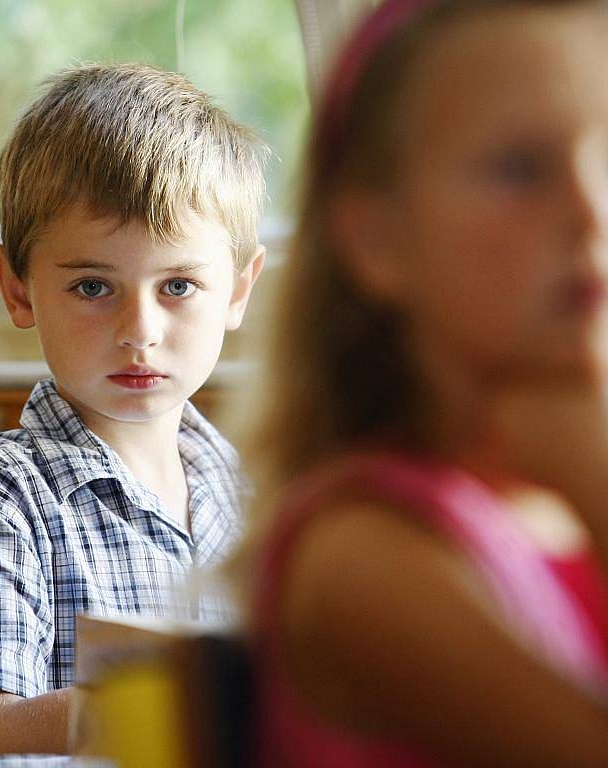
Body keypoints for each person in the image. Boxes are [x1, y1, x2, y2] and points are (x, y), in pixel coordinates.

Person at [241, 0, 608, 765]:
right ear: (378, 239)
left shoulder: (558, 504)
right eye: (519, 168)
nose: (588, 207)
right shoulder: (359, 556)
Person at [0, 62, 267, 759]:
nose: (140, 330)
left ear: (238, 291)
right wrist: (187, 700)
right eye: (94, 286)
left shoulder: (249, 493)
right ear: (19, 289)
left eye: (178, 284)